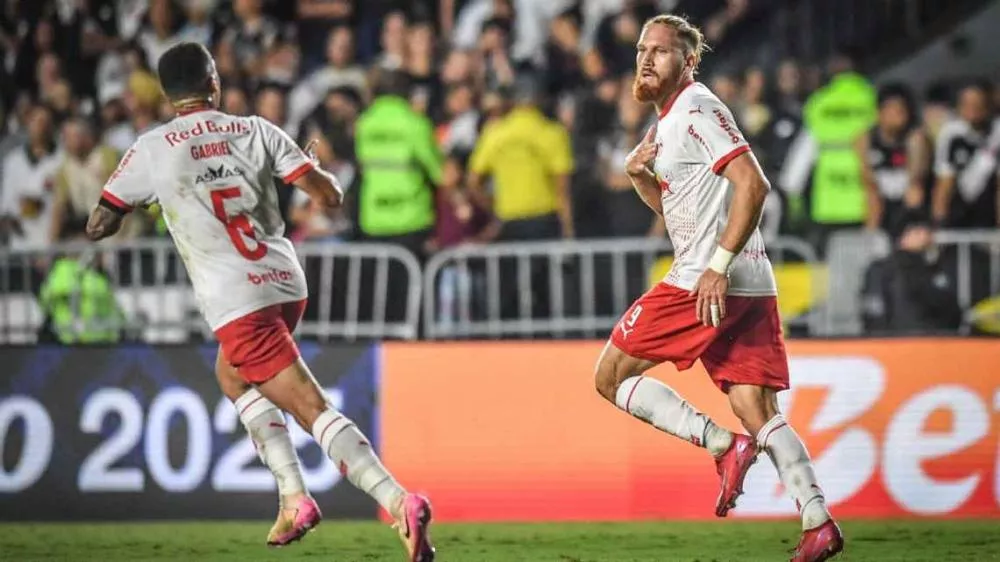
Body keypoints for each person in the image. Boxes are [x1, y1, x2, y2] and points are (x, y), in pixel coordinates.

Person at [84, 43, 435, 562]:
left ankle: (398, 500)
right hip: (285, 284)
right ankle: (294, 498)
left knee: (311, 408)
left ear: (164, 94)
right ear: (214, 83)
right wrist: (313, 167)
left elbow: (98, 224)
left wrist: (148, 202)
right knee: (232, 376)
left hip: (236, 297)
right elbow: (330, 196)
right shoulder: (255, 129)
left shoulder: (153, 149)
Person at [592, 15, 843, 562]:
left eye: (661, 51)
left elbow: (754, 183)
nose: (647, 59)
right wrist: (642, 180)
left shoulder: (697, 107)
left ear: (689, 62)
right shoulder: (668, 123)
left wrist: (718, 265)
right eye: (642, 49)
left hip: (709, 279)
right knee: (756, 405)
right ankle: (817, 518)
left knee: (610, 377)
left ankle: (723, 447)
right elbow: (685, 216)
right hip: (749, 281)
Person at [860, 211, 962, 334]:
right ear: (903, 236)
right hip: (907, 343)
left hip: (927, 344)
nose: (927, 236)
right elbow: (875, 314)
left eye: (928, 230)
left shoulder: (933, 269)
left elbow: (952, 312)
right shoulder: (890, 269)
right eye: (919, 231)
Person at [856, 84, 930, 239]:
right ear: (880, 112)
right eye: (894, 110)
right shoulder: (865, 138)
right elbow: (866, 178)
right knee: (872, 200)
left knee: (915, 195)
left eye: (903, 110)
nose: (900, 115)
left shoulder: (915, 138)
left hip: (906, 197)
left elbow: (916, 177)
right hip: (879, 196)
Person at [930, 81, 999, 229]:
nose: (972, 109)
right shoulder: (951, 133)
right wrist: (938, 224)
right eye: (966, 103)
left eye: (978, 103)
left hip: (989, 209)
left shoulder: (997, 133)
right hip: (959, 210)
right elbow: (944, 184)